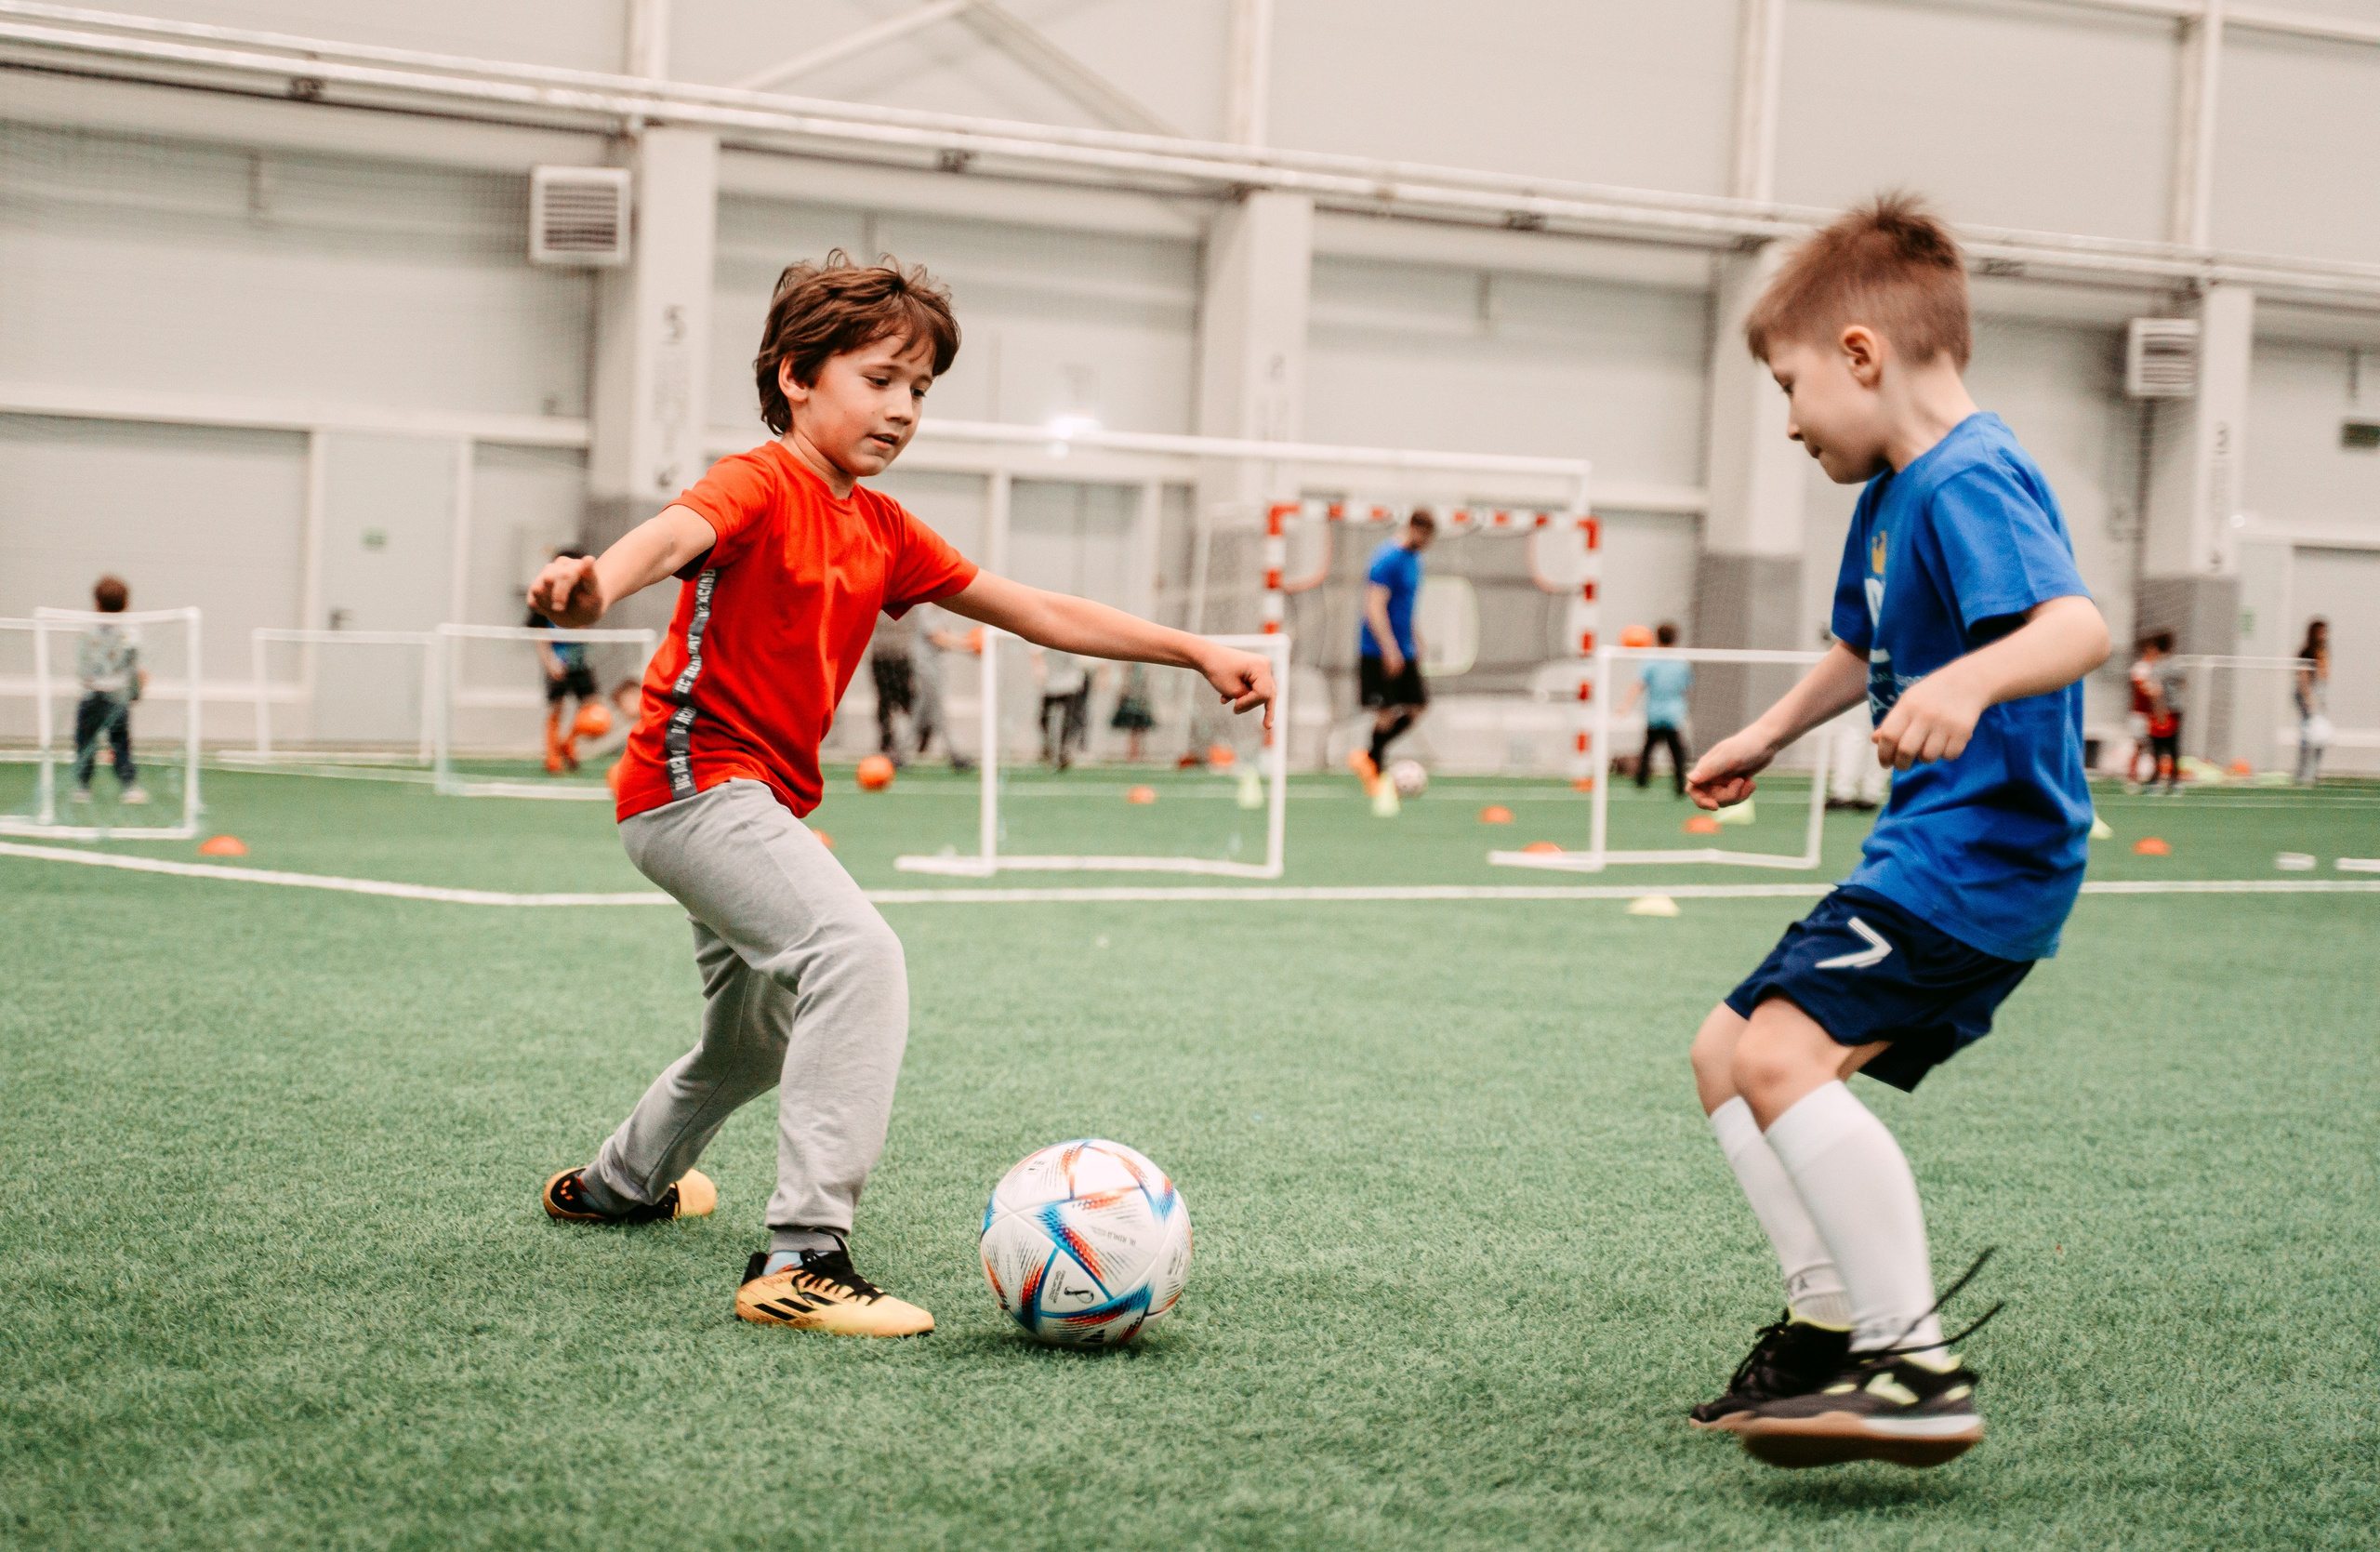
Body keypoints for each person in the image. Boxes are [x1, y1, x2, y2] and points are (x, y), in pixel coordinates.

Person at [528, 253, 1273, 1336]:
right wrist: (595, 579)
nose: (902, 408)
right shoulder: (760, 480)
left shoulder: (879, 529)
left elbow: (1035, 609)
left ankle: (618, 1183)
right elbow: (676, 533)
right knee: (855, 954)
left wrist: (1193, 646)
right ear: (795, 376)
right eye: (879, 379)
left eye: (919, 389)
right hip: (694, 788)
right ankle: (801, 1255)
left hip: (753, 805)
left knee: (752, 1042)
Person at [1677, 195, 2109, 1468]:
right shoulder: (1891, 493)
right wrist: (1766, 732)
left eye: (1794, 386)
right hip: (1927, 849)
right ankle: (1826, 1322)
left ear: (1862, 355)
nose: (1795, 419)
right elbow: (1861, 646)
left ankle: (1911, 1362)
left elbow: (2076, 627)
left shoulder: (1972, 474)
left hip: (1986, 856)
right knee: (1725, 1050)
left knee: (1781, 1056)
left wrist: (1972, 683)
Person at [1350, 510, 1435, 790]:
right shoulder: (1386, 559)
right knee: (1385, 712)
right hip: (1378, 649)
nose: (1425, 542)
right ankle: (1374, 767)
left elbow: (1405, 607)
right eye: (1423, 535)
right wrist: (1390, 649)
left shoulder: (1415, 560)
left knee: (1418, 706)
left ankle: (1369, 756)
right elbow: (1374, 607)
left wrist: (1416, 639)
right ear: (1413, 528)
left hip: (1404, 648)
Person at [72, 575, 148, 805]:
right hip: (116, 696)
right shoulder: (130, 632)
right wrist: (136, 691)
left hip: (92, 694)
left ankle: (83, 787)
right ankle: (129, 787)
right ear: (126, 604)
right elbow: (133, 666)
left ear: (96, 602)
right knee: (120, 741)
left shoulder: (87, 629)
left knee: (86, 742)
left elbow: (82, 662)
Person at [527, 553, 601, 775]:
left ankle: (569, 743)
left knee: (591, 706)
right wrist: (550, 663)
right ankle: (552, 755)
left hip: (581, 661)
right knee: (556, 708)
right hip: (557, 663)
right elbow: (539, 636)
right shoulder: (545, 597)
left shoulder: (584, 596)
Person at [1620, 623, 1694, 795]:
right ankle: (1679, 785)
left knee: (1648, 749)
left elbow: (1638, 685)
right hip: (1673, 714)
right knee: (1676, 752)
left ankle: (1642, 781)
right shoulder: (1681, 662)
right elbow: (1686, 688)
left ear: (1657, 637)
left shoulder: (1651, 660)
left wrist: (1625, 705)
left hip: (1655, 713)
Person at [2137, 632, 2184, 794]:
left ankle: (2156, 780)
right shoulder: (2176, 664)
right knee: (2173, 747)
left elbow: (2155, 691)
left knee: (2158, 747)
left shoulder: (2157, 666)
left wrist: (2160, 713)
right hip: (2175, 709)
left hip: (2162, 710)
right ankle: (2174, 780)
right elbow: (2184, 682)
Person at [1032, 647, 1091, 770]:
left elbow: (1085, 660)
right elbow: (1035, 652)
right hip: (1052, 684)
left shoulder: (1074, 641)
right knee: (1044, 719)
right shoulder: (1049, 638)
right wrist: (1039, 670)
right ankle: (1048, 748)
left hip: (1071, 685)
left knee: (1070, 721)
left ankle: (1065, 751)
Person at [2294, 618, 2331, 786]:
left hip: (2318, 695)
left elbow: (2324, 675)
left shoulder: (2324, 651)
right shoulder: (2307, 651)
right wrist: (2308, 698)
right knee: (2310, 734)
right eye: (2320, 632)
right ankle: (2304, 773)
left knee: (2320, 736)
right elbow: (2302, 676)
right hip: (2307, 695)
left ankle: (2313, 772)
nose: (2323, 635)